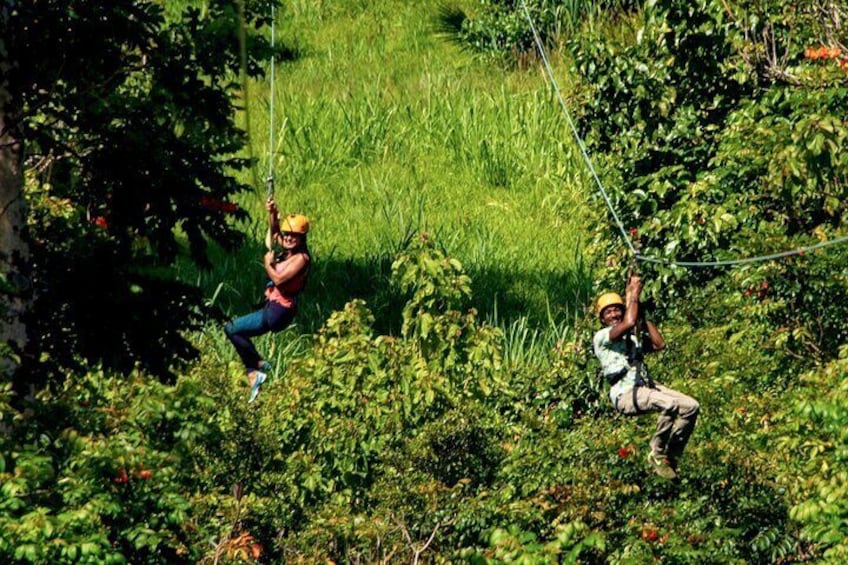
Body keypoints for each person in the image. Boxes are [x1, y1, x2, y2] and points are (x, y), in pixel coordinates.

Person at [593, 274, 699, 480]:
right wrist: (633, 295)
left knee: (690, 406)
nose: (614, 314)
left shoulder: (632, 339)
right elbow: (628, 321)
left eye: (617, 310)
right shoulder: (603, 337)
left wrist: (642, 314)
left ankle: (671, 457)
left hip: (645, 387)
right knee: (669, 404)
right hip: (625, 393)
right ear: (603, 318)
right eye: (609, 312)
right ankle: (656, 453)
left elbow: (660, 344)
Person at [225, 197, 311, 403]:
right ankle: (256, 370)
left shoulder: (301, 259)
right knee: (232, 329)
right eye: (287, 234)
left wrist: (267, 264)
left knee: (232, 328)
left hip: (279, 312)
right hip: (273, 308)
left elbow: (280, 280)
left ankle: (258, 367)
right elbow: (275, 236)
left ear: (302, 238)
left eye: (294, 236)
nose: (288, 238)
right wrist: (273, 213)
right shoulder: (290, 250)